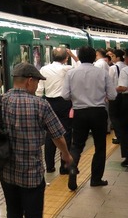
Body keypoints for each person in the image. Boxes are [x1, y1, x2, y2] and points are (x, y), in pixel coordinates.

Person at [0, 63, 72, 218]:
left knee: (13, 212)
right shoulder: (41, 104)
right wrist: (66, 155)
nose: (38, 86)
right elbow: (57, 136)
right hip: (32, 173)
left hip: (6, 172)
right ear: (30, 81)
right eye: (38, 82)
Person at [62, 46, 117, 190]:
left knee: (76, 146)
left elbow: (65, 95)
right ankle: (96, 179)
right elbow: (112, 95)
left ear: (79, 57)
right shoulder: (102, 73)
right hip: (98, 112)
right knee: (100, 146)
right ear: (94, 58)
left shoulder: (71, 73)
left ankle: (72, 171)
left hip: (79, 113)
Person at [36, 48, 77, 174]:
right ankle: (64, 167)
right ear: (65, 58)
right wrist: (73, 56)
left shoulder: (43, 69)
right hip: (64, 103)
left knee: (49, 134)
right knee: (65, 133)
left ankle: (49, 166)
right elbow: (81, 67)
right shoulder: (67, 68)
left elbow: (39, 89)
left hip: (48, 102)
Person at [109, 49, 126, 146]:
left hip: (115, 94)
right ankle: (123, 135)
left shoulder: (113, 68)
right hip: (124, 95)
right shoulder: (126, 66)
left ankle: (119, 136)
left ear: (118, 57)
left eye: (113, 56)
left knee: (114, 116)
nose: (112, 58)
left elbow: (109, 82)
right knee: (122, 116)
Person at [115, 62, 128, 166]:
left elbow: (123, 87)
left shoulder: (125, 70)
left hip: (127, 101)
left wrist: (113, 88)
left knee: (125, 129)